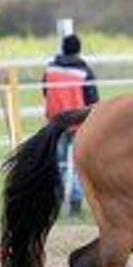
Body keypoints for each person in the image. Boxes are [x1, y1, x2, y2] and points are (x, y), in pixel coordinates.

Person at [42, 34, 99, 217]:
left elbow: (45, 90)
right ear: (78, 49)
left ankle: (56, 199)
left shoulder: (50, 68)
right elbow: (93, 99)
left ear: (63, 48)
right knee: (77, 164)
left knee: (58, 163)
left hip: (56, 121)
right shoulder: (84, 71)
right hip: (78, 122)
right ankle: (75, 203)